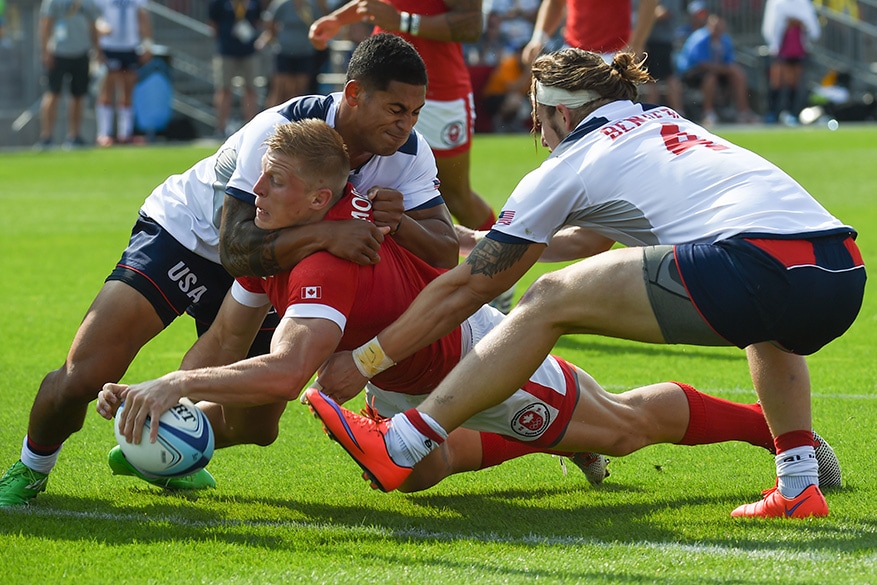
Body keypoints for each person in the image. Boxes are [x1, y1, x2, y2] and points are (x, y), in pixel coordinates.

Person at [96, 119, 837, 498]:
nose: (254, 195)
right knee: (412, 477)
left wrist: (176, 388)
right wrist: (155, 396)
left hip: (474, 358)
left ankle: (766, 434)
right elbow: (228, 332)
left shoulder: (322, 257)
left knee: (624, 428)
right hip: (396, 374)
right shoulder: (275, 241)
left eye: (274, 183)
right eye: (260, 180)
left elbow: (291, 370)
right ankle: (534, 438)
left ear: (319, 200)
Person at [308, 48, 866, 519]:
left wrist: (364, 363)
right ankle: (798, 485)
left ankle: (405, 439)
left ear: (557, 112)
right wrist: (469, 237)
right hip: (840, 269)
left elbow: (467, 290)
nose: (540, 138)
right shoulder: (663, 120)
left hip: (755, 263)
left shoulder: (571, 162)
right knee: (769, 326)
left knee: (548, 298)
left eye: (538, 123)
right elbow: (585, 240)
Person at [0, 32, 458, 508]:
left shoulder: (407, 155)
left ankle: (160, 445)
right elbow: (236, 245)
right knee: (84, 374)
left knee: (256, 427)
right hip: (189, 235)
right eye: (395, 109)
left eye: (415, 112)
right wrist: (325, 235)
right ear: (355, 93)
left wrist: (400, 221)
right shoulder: (281, 126)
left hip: (275, 266)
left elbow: (444, 251)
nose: (405, 125)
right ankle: (31, 466)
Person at [309, 1, 498, 234]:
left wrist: (402, 22)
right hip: (380, 86)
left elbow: (471, 25)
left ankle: (499, 261)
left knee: (454, 195)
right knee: (349, 182)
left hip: (438, 93)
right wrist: (339, 19)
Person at [37, 0, 102, 149]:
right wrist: (45, 50)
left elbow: (93, 25)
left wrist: (97, 50)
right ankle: (46, 137)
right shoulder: (53, 1)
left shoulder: (87, 2)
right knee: (52, 93)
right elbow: (46, 23)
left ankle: (74, 136)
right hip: (58, 52)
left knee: (78, 95)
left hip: (81, 52)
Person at [675, 14, 758, 126]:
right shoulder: (700, 38)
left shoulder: (725, 40)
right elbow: (702, 64)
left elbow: (729, 62)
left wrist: (727, 70)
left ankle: (743, 111)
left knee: (738, 74)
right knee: (711, 78)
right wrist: (724, 69)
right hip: (692, 73)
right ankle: (708, 113)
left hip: (716, 70)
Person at [521, 0, 658, 65]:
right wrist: (538, 38)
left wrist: (636, 44)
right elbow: (555, 3)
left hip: (614, 54)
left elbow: (649, 3)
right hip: (572, 51)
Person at [94, 0, 153, 146]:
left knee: (128, 88)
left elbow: (142, 15)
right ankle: (104, 133)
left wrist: (147, 43)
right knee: (108, 87)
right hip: (109, 46)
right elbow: (94, 16)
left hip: (130, 45)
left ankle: (125, 133)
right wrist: (100, 30)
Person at [208, 0, 263, 138]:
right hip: (226, 52)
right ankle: (220, 127)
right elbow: (213, 23)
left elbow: (257, 21)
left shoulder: (254, 2)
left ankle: (252, 127)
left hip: (248, 51)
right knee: (224, 89)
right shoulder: (219, 3)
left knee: (250, 89)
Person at [257, 0, 327, 108]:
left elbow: (320, 22)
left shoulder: (311, 5)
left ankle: (291, 121)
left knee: (298, 91)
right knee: (280, 90)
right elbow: (270, 23)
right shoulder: (281, 4)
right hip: (284, 52)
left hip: (305, 53)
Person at [761, 0, 821, 125]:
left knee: (793, 82)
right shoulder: (776, 3)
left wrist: (800, 24)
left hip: (797, 49)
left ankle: (790, 113)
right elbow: (770, 27)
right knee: (777, 81)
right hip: (782, 48)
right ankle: (772, 113)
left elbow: (813, 29)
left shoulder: (803, 3)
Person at [640, 0, 685, 114]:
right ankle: (651, 113)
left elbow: (663, 13)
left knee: (668, 78)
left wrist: (644, 14)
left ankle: (678, 111)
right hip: (650, 43)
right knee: (650, 80)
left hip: (662, 43)